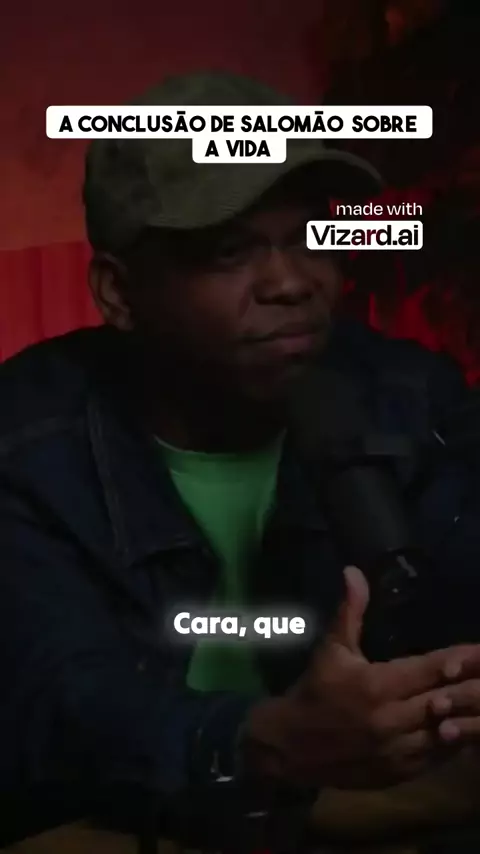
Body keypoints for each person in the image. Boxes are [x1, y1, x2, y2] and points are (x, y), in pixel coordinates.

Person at [1, 71, 480, 849]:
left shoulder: (412, 395)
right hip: (136, 817)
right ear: (118, 292)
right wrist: (264, 742)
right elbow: (61, 711)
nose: (292, 283)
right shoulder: (25, 440)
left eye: (310, 237)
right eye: (229, 252)